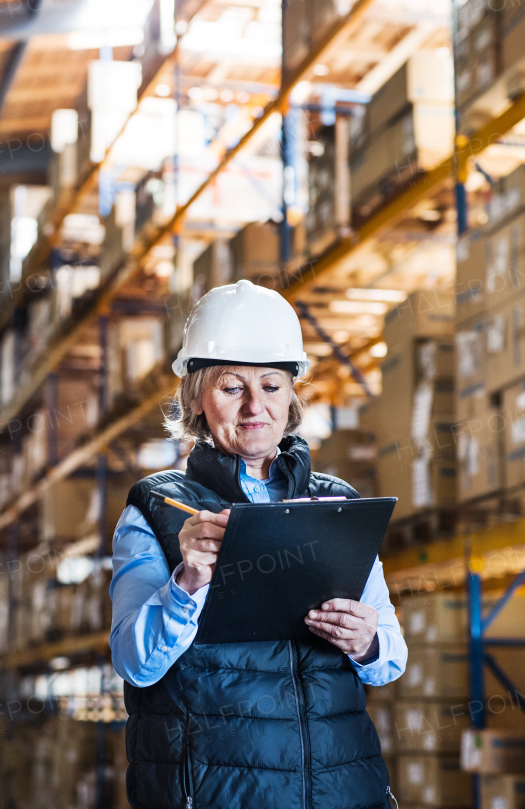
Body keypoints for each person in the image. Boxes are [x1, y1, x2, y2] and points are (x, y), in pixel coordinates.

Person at [109, 279, 407, 809]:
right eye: (231, 388)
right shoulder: (156, 509)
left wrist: (366, 640)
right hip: (218, 794)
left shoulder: (334, 504)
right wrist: (187, 583)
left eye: (271, 386)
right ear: (197, 397)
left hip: (340, 791)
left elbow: (390, 658)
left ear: (291, 394)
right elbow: (135, 663)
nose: (254, 407)